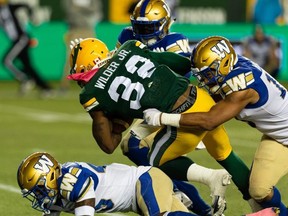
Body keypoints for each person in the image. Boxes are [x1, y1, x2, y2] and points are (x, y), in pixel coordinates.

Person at [67, 37, 259, 214]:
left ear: (87, 67)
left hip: (183, 118)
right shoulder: (130, 47)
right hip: (201, 99)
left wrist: (118, 119)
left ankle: (210, 177)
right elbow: (181, 63)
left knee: (154, 163)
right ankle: (263, 206)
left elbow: (108, 145)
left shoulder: (91, 94)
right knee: (226, 154)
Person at [143, 36, 288, 216]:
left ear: (224, 63)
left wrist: (163, 118)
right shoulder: (231, 64)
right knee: (257, 190)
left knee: (259, 190)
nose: (204, 78)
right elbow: (185, 62)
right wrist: (149, 56)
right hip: (276, 134)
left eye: (209, 73)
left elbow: (210, 121)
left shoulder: (242, 86)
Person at [116, 1, 222, 211]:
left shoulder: (175, 41)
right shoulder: (127, 36)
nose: (143, 33)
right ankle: (187, 197)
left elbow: (182, 74)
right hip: (146, 104)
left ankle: (186, 195)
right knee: (133, 146)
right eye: (139, 27)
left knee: (145, 149)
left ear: (164, 24)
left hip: (174, 104)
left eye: (149, 28)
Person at [17, 152, 198, 216]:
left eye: (39, 189)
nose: (39, 196)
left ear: (49, 177)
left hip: (144, 181)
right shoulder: (57, 191)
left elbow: (85, 198)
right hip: (140, 195)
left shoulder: (69, 179)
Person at [0, 0, 52, 96]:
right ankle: (46, 88)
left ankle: (26, 79)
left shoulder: (9, 7)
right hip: (17, 40)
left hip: (21, 39)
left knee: (6, 61)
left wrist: (32, 15)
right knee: (28, 66)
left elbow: (25, 6)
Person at [59, 0, 102, 92]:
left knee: (94, 57)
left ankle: (96, 85)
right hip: (75, 30)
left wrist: (79, 8)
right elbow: (70, 10)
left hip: (89, 29)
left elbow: (95, 9)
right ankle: (64, 86)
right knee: (70, 57)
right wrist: (85, 10)